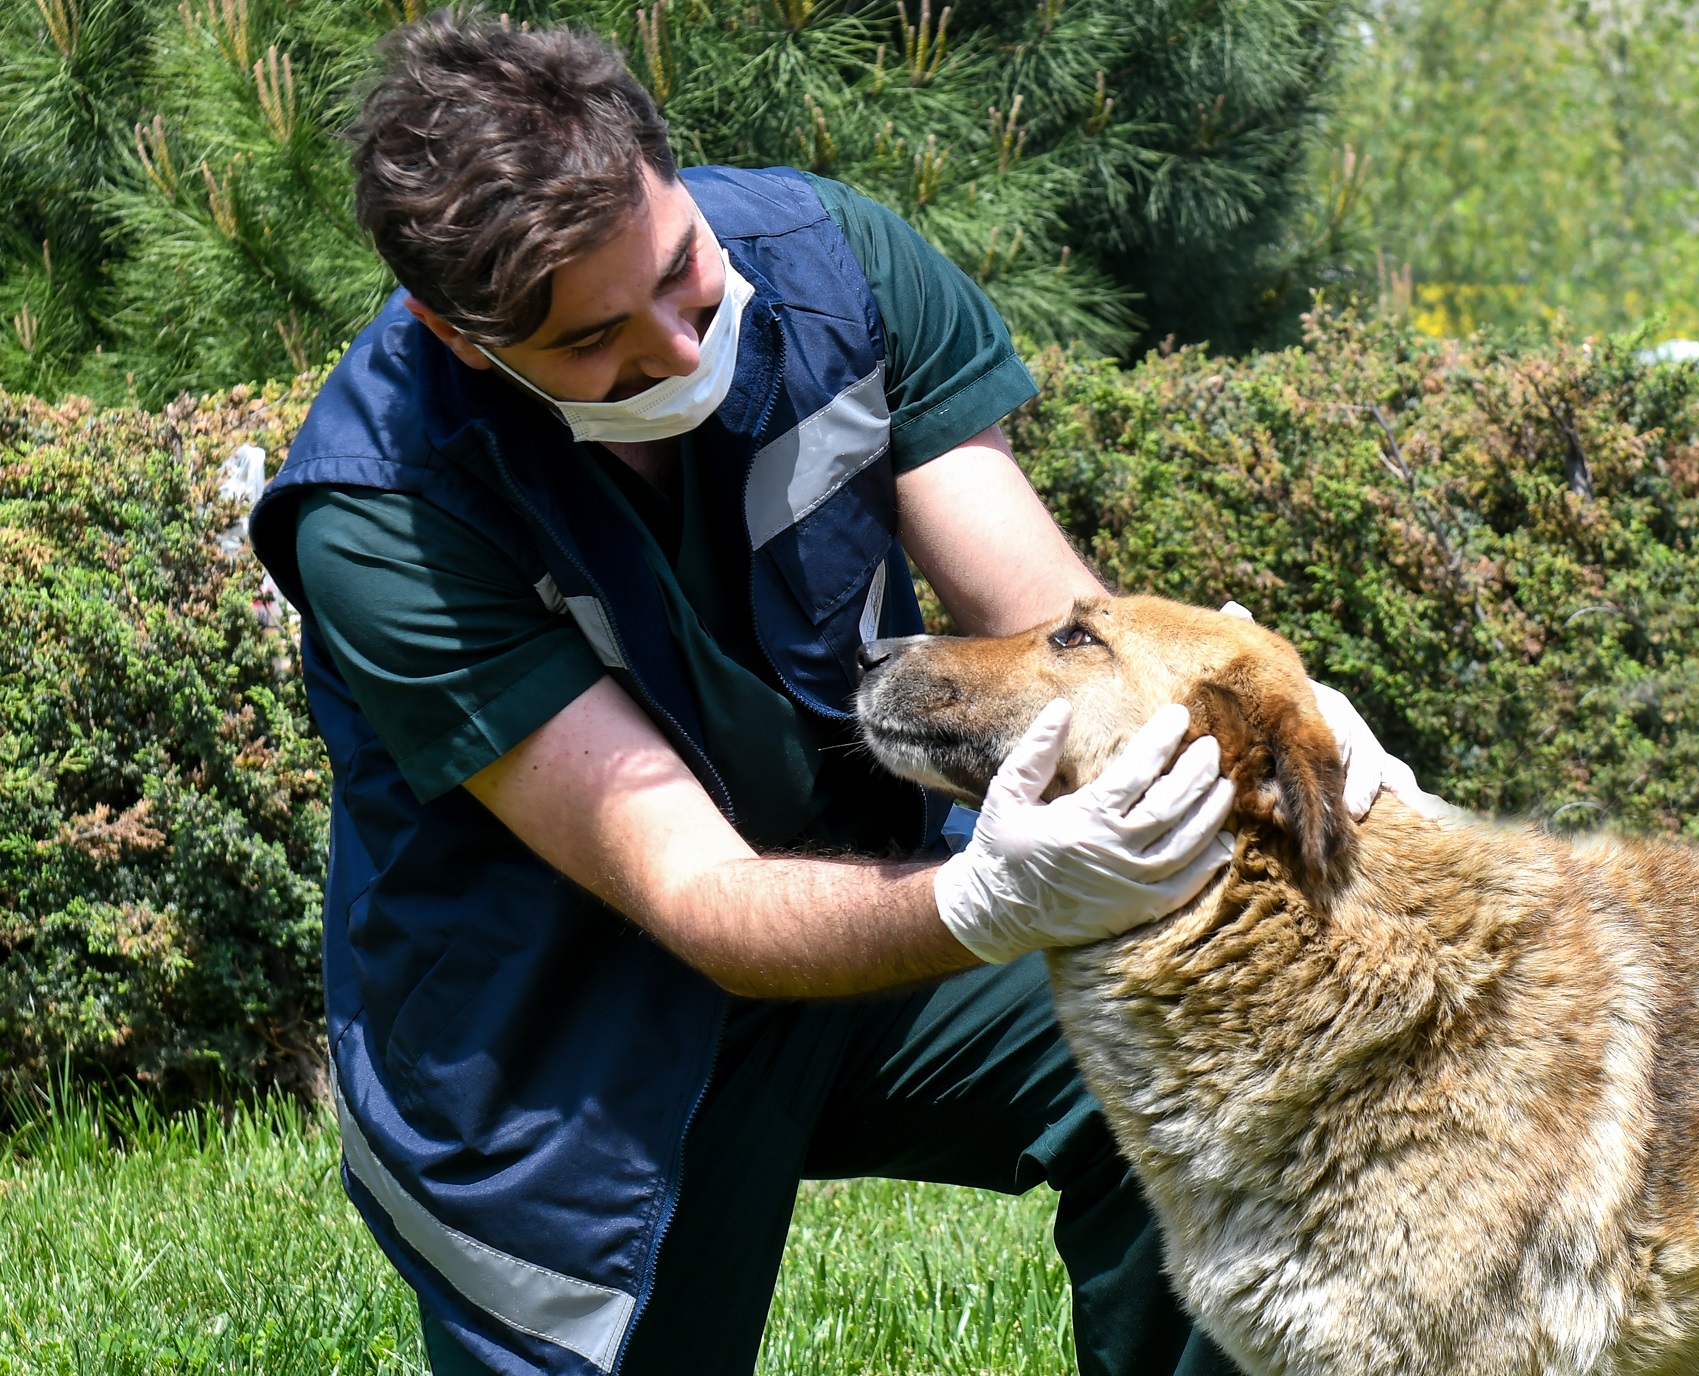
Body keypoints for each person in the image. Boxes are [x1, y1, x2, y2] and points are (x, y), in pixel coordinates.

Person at [249, 15, 1427, 1375]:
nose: (684, 356)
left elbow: (1048, 629)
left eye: (684, 273)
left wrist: (1283, 736)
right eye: (597, 345)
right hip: (564, 1038)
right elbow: (698, 896)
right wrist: (987, 900)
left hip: (873, 923)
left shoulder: (839, 270)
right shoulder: (381, 513)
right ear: (458, 337)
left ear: (668, 176)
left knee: (1230, 1079)